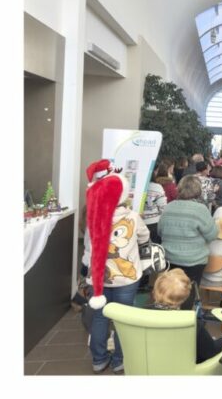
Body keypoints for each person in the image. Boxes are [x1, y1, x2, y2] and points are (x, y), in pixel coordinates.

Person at [83, 160, 150, 374]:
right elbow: (145, 236)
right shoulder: (132, 216)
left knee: (100, 317)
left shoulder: (92, 217)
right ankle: (120, 360)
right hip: (127, 278)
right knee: (123, 318)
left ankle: (99, 359)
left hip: (100, 279)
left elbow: (88, 247)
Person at [148, 269, 222, 362]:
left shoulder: (139, 315)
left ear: (156, 289)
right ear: (185, 298)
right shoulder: (191, 323)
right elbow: (210, 352)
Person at [158, 175, 218, 286]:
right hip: (194, 260)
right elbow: (212, 235)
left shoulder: (168, 207)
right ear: (198, 190)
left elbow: (160, 231)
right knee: (189, 292)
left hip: (170, 258)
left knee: (172, 290)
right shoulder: (200, 209)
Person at [142, 168, 167, 244]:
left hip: (139, 222)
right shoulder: (157, 187)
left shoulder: (136, 187)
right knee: (155, 249)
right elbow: (163, 207)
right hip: (154, 223)